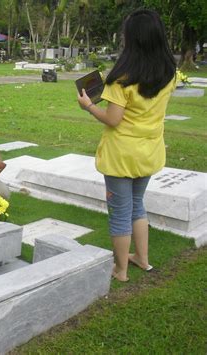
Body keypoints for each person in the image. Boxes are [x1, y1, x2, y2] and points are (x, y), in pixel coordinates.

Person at [77, 9, 176, 282]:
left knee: (120, 212)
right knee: (137, 206)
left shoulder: (122, 78)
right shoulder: (170, 74)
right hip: (150, 151)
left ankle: (120, 270)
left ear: (132, 39)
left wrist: (88, 106)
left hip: (121, 155)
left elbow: (113, 119)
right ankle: (141, 260)